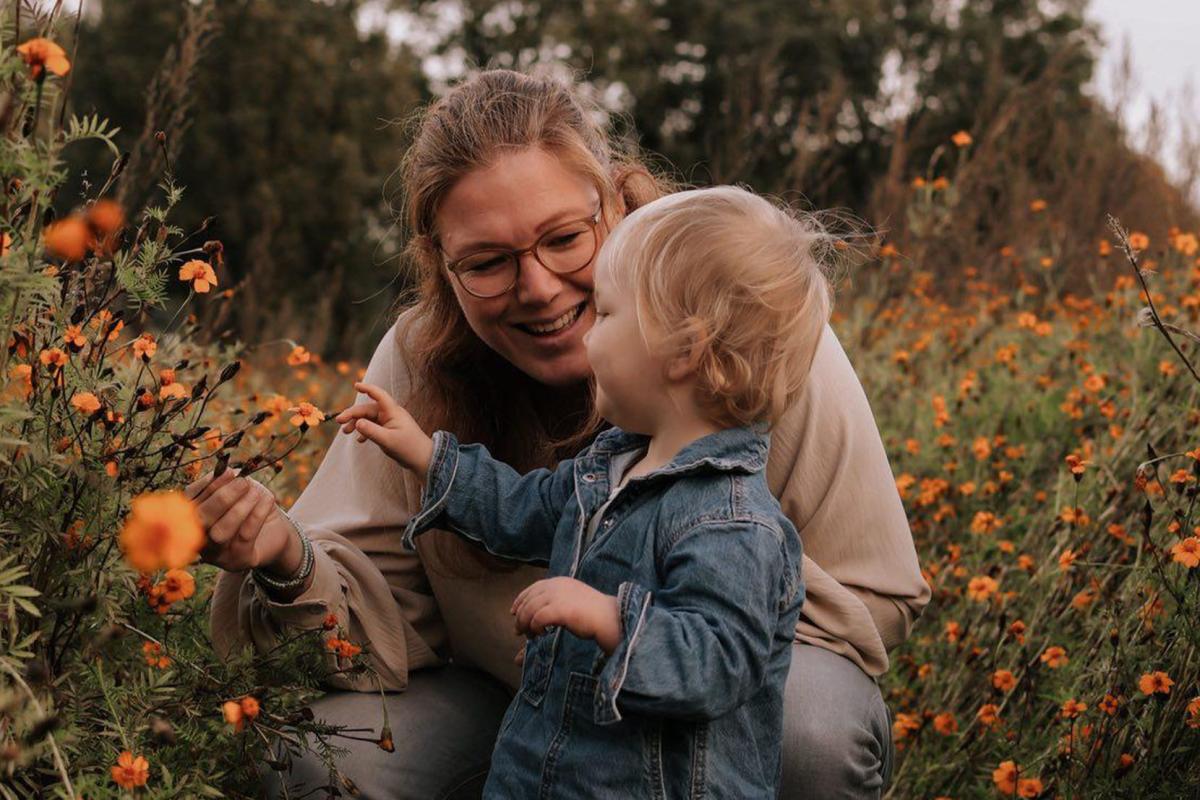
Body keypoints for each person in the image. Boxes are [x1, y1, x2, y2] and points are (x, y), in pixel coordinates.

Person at [194, 67, 930, 799]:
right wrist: (288, 558)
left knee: (812, 732)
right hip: (513, 713)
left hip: (707, 727)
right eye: (486, 263)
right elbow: (461, 550)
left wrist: (644, 601)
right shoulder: (418, 365)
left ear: (613, 202)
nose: (539, 288)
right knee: (326, 758)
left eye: (565, 239)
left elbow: (878, 598)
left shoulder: (742, 336)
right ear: (440, 264)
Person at [334, 185, 826, 797]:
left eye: (609, 313)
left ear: (683, 351)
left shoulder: (731, 522)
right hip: (543, 773)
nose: (588, 334)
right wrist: (426, 454)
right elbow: (521, 509)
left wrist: (606, 617)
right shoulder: (614, 465)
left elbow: (719, 663)